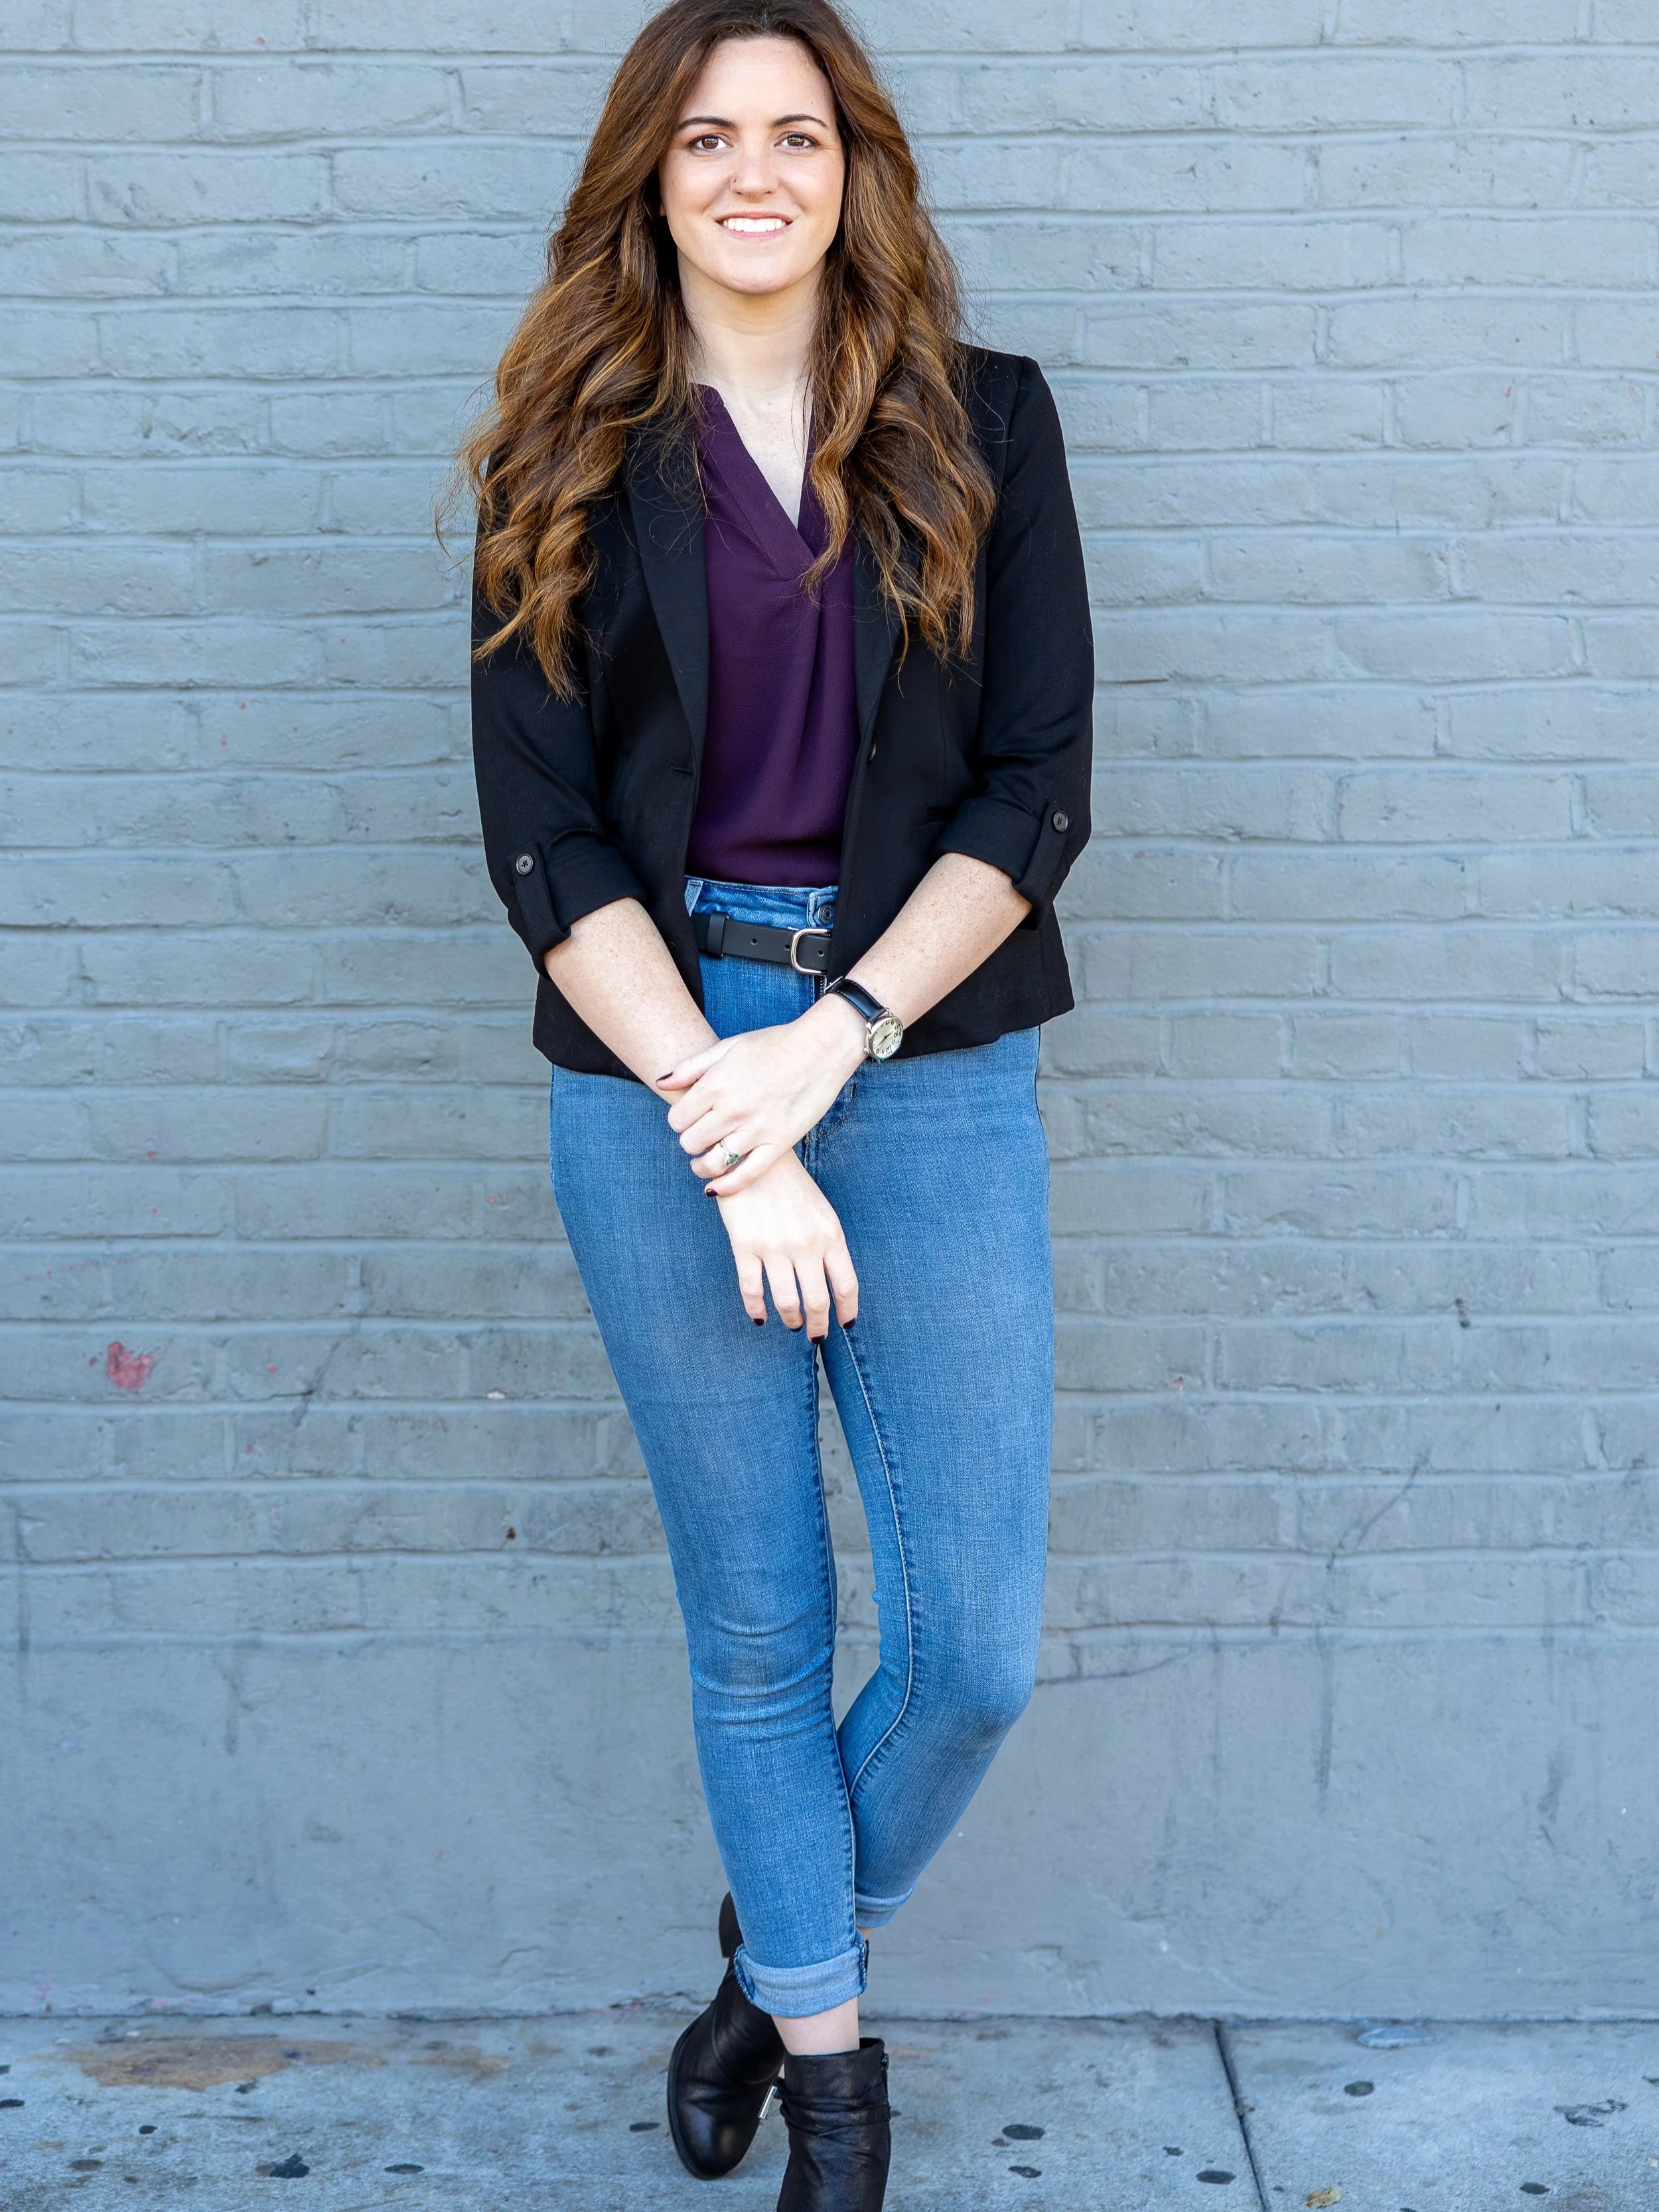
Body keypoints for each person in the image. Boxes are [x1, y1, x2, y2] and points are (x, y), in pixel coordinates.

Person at [459, 1, 1092, 2203]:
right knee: (754, 1623)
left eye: (794, 133)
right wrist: (719, 1115)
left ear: (853, 168)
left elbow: (1034, 787)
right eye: (706, 136)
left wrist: (825, 1053)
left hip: (910, 1055)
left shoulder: (982, 425)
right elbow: (538, 841)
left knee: (970, 1653)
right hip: (653, 1059)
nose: (753, 173)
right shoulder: (560, 451)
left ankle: (774, 1948)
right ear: (651, 173)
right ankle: (830, 2078)